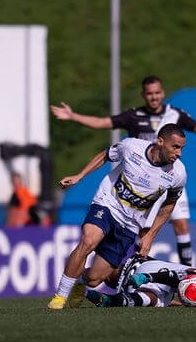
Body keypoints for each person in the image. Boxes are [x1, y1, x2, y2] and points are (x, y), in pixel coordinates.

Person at [50, 75, 196, 266]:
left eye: (157, 93)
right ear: (144, 95)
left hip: (166, 180)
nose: (154, 97)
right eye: (150, 94)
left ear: (163, 93)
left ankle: (186, 274)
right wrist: (74, 116)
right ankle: (119, 272)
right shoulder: (134, 116)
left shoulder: (175, 115)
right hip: (137, 185)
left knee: (181, 225)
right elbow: (103, 122)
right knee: (138, 233)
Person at [47, 123, 187, 310]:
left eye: (181, 148)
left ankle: (80, 281)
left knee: (95, 278)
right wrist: (79, 176)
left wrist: (150, 235)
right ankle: (60, 298)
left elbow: (169, 204)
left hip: (130, 224)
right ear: (160, 141)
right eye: (175, 147)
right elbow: (106, 155)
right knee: (88, 241)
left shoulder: (178, 173)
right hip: (107, 204)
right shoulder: (131, 147)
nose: (179, 153)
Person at [85, 254, 196, 308]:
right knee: (154, 300)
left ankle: (108, 299)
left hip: (142, 271)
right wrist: (147, 278)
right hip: (143, 271)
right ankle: (111, 300)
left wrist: (177, 303)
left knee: (155, 301)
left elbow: (172, 280)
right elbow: (172, 277)